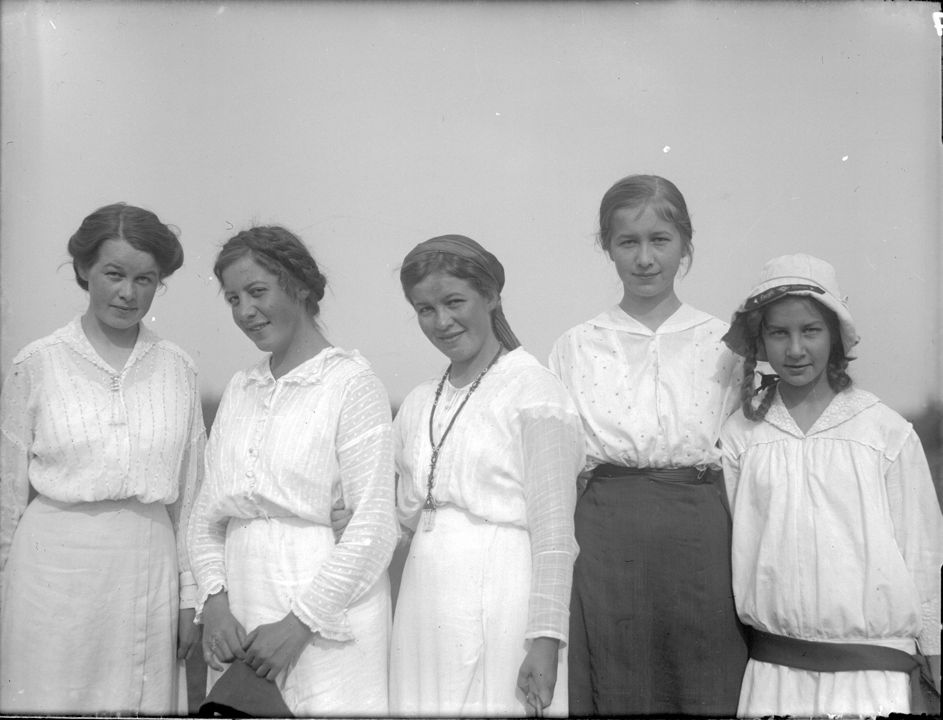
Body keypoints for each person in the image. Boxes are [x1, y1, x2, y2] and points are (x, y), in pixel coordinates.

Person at [549, 174, 748, 716]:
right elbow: (561, 465)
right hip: (606, 536)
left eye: (660, 240)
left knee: (704, 680)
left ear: (685, 242)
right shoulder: (577, 345)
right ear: (607, 247)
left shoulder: (724, 344)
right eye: (627, 242)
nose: (644, 258)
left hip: (700, 535)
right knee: (616, 679)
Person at [0, 203, 204, 715]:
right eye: (114, 274)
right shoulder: (36, 363)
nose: (128, 293)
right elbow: (5, 500)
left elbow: (191, 499)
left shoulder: (178, 369)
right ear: (84, 270)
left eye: (145, 279)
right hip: (50, 573)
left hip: (147, 571)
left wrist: (189, 596)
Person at [719, 253, 942, 717]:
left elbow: (923, 554)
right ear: (760, 339)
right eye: (779, 333)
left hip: (873, 679)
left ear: (835, 335)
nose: (795, 349)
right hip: (775, 676)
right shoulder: (742, 436)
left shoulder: (884, 432)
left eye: (810, 331)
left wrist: (935, 654)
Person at [188, 225, 398, 716]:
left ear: (299, 286)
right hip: (241, 614)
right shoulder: (242, 388)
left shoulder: (352, 384)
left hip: (326, 618)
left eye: (257, 291)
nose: (245, 311)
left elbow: (372, 528)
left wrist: (298, 625)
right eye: (233, 299)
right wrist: (214, 603)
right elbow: (205, 516)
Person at [390, 235, 583, 717]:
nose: (441, 321)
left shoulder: (536, 391)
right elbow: (399, 516)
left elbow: (555, 536)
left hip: (501, 599)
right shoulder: (418, 401)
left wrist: (545, 640)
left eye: (454, 302)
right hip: (423, 601)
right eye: (425, 309)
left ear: (492, 296)